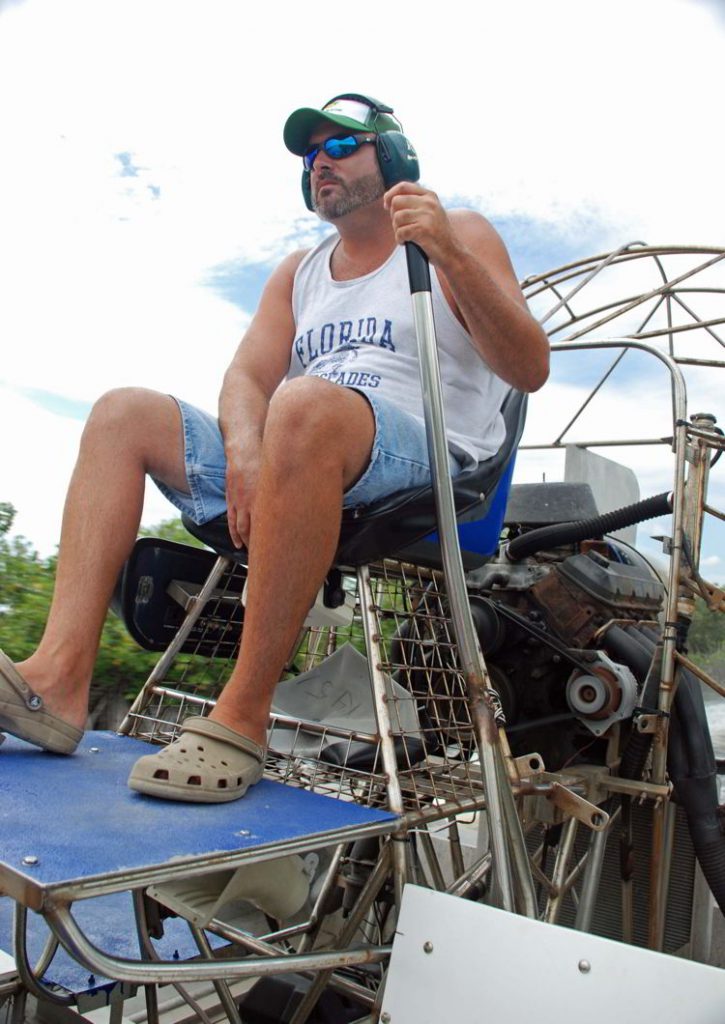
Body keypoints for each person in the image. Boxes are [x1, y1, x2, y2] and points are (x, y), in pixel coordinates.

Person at [0, 92, 549, 802]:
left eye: (341, 145)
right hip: (300, 441)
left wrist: (446, 251)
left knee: (301, 405)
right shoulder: (301, 271)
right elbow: (246, 377)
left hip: (426, 456)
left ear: (394, 155)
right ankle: (58, 680)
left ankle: (242, 715)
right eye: (310, 153)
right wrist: (244, 452)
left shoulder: (459, 232)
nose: (321, 161)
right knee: (122, 413)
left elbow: (529, 366)